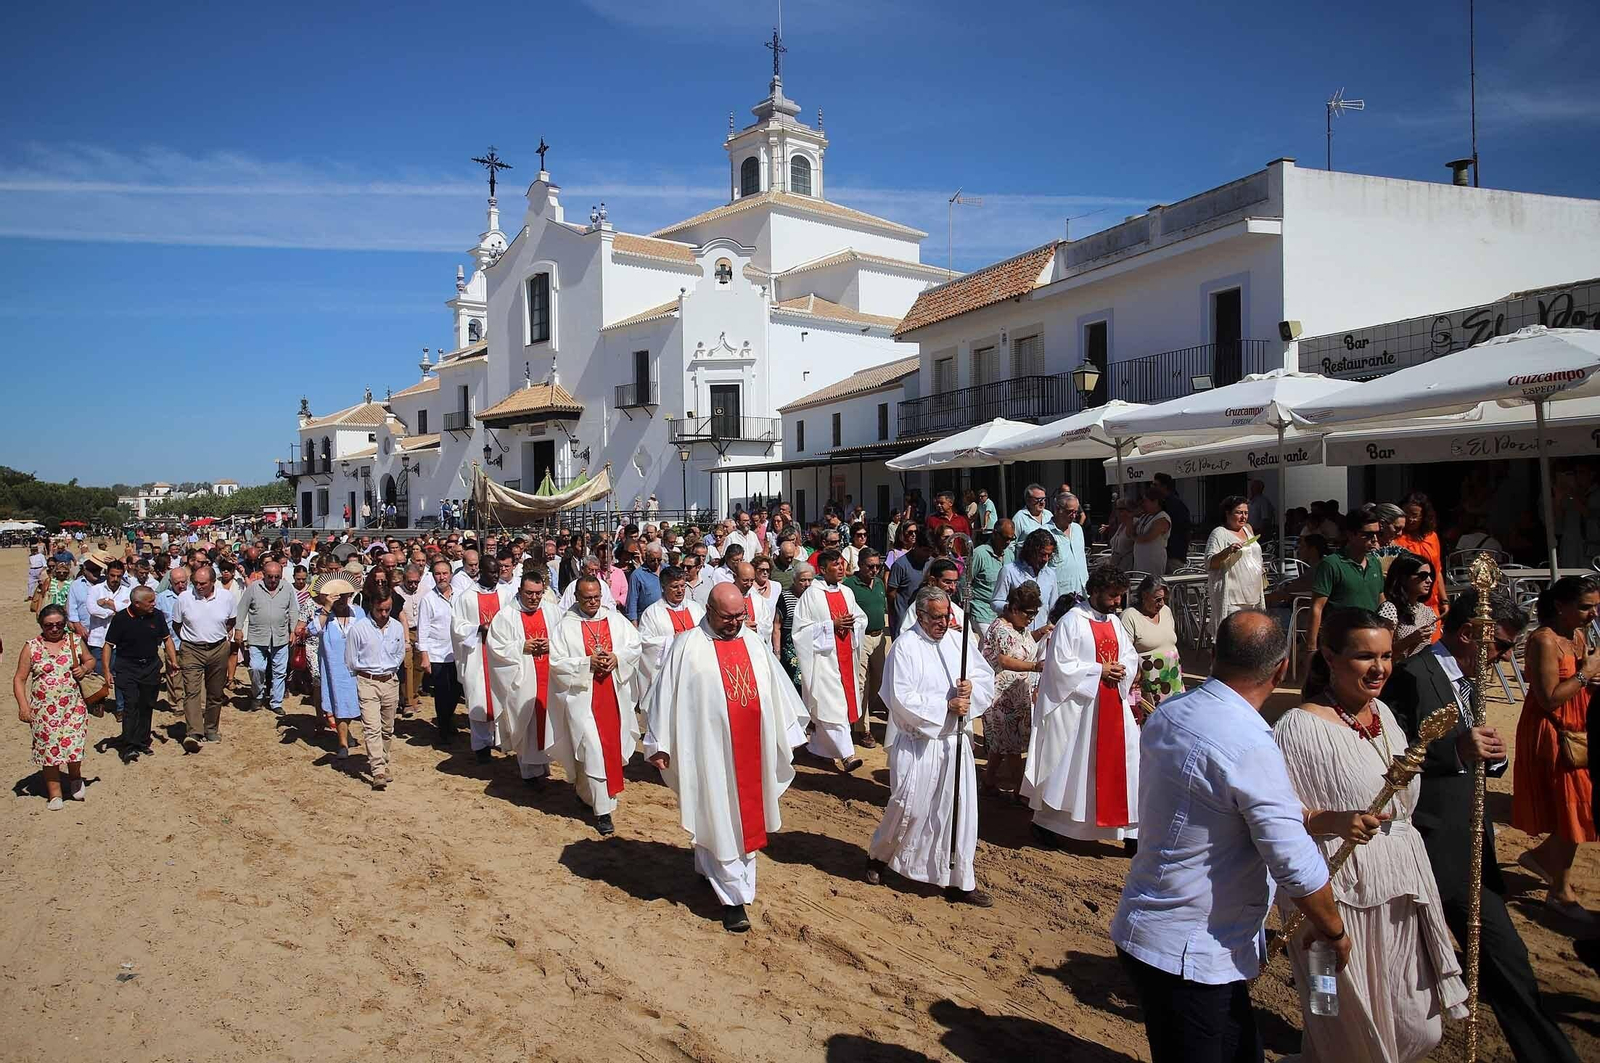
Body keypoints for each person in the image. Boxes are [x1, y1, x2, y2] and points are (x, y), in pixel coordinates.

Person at [1112, 610, 1349, 1063]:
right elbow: (1293, 861)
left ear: (1216, 654)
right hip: (1191, 949)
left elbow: (1217, 801)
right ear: (1281, 670)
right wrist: (1332, 928)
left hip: (1160, 930)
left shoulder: (1174, 711)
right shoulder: (1249, 743)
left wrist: (1316, 817)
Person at [1382, 587, 1583, 1063]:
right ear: (1470, 633)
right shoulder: (1410, 677)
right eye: (1501, 645)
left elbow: (1477, 749)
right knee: (1397, 975)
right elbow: (1385, 758)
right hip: (1422, 849)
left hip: (1471, 847)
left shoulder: (1471, 678)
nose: (1507, 656)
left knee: (1507, 964)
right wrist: (1453, 752)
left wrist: (1490, 758)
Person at [1274, 607, 1467, 1061]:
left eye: (1385, 655)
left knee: (1418, 1024)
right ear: (1330, 655)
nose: (1379, 668)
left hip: (1401, 886)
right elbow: (1276, 818)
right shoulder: (1297, 728)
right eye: (1364, 656)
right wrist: (1333, 819)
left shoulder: (1384, 713)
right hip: (1333, 898)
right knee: (1335, 1016)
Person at [645, 583, 802, 932]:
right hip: (708, 750)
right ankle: (734, 900)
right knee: (717, 814)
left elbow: (776, 690)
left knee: (741, 818)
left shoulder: (753, 642)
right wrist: (659, 743)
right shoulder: (687, 646)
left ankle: (709, 869)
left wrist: (788, 734)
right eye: (727, 617)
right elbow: (663, 695)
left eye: (740, 616)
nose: (734, 623)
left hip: (753, 749)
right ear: (709, 612)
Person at [866, 586, 997, 906]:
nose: (943, 623)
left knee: (959, 812)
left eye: (947, 616)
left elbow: (985, 676)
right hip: (921, 744)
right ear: (921, 616)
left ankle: (960, 879)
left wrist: (971, 688)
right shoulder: (905, 647)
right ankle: (879, 857)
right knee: (909, 809)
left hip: (955, 744)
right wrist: (946, 706)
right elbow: (901, 698)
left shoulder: (956, 641)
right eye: (936, 618)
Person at [1027, 565, 1140, 849]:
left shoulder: (1114, 623)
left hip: (1114, 702)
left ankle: (1129, 832)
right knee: (1075, 766)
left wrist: (1121, 668)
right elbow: (1059, 666)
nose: (1118, 602)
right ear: (1095, 591)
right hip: (1082, 709)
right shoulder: (1072, 621)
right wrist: (1099, 670)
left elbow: (1129, 654)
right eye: (1113, 596)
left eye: (1120, 597)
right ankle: (1051, 823)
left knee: (1128, 763)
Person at [1513, 574, 1600, 921]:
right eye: (1585, 607)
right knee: (1575, 809)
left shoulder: (1577, 633)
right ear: (1561, 606)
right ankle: (1559, 892)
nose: (1593, 614)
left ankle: (1542, 860)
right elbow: (1549, 699)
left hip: (1577, 728)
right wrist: (1586, 673)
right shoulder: (1544, 641)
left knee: (1579, 808)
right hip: (1553, 731)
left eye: (1596, 607)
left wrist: (1590, 676)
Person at [549, 575, 643, 835]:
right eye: (587, 598)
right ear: (577, 597)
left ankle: (585, 793)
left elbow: (634, 645)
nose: (593, 602)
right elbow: (556, 662)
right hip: (582, 698)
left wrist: (617, 657)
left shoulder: (614, 619)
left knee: (604, 748)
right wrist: (585, 664)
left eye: (596, 597)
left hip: (613, 695)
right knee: (590, 748)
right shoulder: (566, 626)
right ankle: (603, 812)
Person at [13, 605, 95, 809]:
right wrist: (24, 707)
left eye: (59, 624)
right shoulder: (31, 647)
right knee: (49, 751)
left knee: (73, 745)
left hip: (73, 707)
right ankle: (55, 794)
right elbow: (19, 679)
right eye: (50, 625)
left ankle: (75, 779)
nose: (55, 629)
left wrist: (84, 668)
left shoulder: (74, 641)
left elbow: (91, 660)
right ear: (41, 625)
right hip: (43, 711)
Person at [794, 550, 868, 771]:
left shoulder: (847, 592)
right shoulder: (811, 595)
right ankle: (847, 755)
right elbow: (800, 631)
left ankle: (818, 748)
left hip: (846, 658)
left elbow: (861, 618)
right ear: (823, 570)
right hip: (824, 661)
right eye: (835, 565)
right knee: (832, 706)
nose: (841, 568)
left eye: (842, 564)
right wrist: (830, 626)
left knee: (837, 705)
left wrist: (855, 624)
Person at [487, 568, 560, 788]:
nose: (534, 598)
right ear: (520, 590)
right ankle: (529, 773)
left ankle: (542, 766)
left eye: (538, 593)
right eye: (529, 593)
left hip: (548, 675)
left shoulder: (552, 611)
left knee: (546, 721)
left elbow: (565, 638)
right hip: (523, 679)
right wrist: (522, 646)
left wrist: (552, 644)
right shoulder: (506, 616)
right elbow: (496, 647)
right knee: (526, 722)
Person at [979, 580, 1042, 800]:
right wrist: (1035, 666)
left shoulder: (1020, 627)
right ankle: (1020, 790)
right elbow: (1005, 659)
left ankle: (988, 779)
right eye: (1029, 614)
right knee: (1013, 747)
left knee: (1002, 743)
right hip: (1002, 697)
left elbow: (1021, 647)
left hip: (1018, 694)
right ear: (1014, 609)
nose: (1031, 619)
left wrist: (1041, 631)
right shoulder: (1000, 629)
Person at [101, 587, 179, 761]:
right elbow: (108, 645)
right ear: (137, 603)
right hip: (127, 667)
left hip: (150, 666)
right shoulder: (121, 619)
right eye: (150, 601)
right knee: (131, 705)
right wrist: (107, 671)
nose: (154, 604)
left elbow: (167, 639)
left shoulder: (157, 615)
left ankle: (142, 741)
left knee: (147, 704)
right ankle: (129, 745)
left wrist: (173, 661)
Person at [451, 556, 515, 762]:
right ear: (481, 572)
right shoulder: (467, 597)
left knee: (502, 695)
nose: (496, 576)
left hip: (500, 654)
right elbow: (457, 627)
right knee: (479, 697)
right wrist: (477, 628)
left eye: (498, 572)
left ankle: (500, 739)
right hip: (477, 654)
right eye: (492, 572)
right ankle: (480, 746)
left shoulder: (506, 594)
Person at [344, 590, 405, 790]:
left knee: (388, 728)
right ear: (372, 607)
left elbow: (400, 653)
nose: (384, 614)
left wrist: (391, 669)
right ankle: (377, 769)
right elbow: (351, 660)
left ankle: (383, 760)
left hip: (390, 681)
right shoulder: (358, 629)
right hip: (367, 681)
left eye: (388, 609)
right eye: (380, 610)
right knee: (372, 728)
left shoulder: (396, 627)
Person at [173, 563, 236, 751]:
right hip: (192, 649)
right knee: (191, 691)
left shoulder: (226, 597)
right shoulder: (184, 598)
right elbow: (177, 624)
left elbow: (231, 621)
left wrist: (219, 635)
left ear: (213, 582)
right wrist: (190, 640)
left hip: (218, 648)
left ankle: (210, 728)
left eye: (202, 584)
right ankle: (193, 732)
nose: (198, 587)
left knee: (215, 692)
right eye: (195, 583)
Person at [1305, 508, 1386, 654]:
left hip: (1370, 640)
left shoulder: (1375, 563)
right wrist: (1311, 648)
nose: (1374, 539)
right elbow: (1317, 607)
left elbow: (1381, 600)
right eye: (1367, 534)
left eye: (1378, 533)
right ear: (1350, 534)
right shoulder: (1332, 564)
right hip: (1340, 643)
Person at [308, 575, 364, 755]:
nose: (342, 600)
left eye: (345, 596)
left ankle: (346, 734)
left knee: (354, 703)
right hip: (334, 667)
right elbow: (312, 630)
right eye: (338, 597)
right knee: (339, 703)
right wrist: (327, 607)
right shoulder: (324, 614)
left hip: (356, 667)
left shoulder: (358, 612)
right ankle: (342, 743)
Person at [238, 559, 298, 717]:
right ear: (263, 575)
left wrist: (293, 630)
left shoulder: (287, 588)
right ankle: (257, 695)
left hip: (280, 636)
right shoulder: (253, 588)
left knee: (280, 671)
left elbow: (293, 610)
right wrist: (238, 629)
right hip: (258, 635)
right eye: (270, 576)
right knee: (256, 667)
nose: (273, 580)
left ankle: (276, 702)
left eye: (276, 577)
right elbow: (242, 607)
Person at [636, 565, 706, 696]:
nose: (680, 591)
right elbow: (645, 643)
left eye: (682, 586)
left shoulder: (695, 609)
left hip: (696, 669)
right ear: (663, 587)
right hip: (669, 672)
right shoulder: (652, 613)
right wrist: (671, 640)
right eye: (675, 587)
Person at [843, 548, 889, 742]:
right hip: (860, 638)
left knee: (880, 681)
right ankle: (862, 729)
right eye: (870, 566)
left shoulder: (879, 583)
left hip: (880, 638)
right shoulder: (849, 586)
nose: (875, 570)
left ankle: (862, 716)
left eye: (878, 566)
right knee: (861, 683)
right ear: (859, 565)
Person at [1205, 494, 1265, 638]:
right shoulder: (1219, 533)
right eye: (1239, 512)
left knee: (1252, 636)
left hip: (1253, 596)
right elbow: (1209, 563)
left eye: (1246, 513)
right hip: (1232, 598)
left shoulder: (1248, 530)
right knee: (1232, 637)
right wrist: (1227, 551)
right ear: (1227, 513)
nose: (1243, 517)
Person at [415, 558, 460, 746]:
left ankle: (448, 719)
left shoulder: (461, 595)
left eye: (445, 573)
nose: (441, 577)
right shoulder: (428, 599)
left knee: (457, 691)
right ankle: (443, 728)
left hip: (457, 652)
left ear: (450, 574)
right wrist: (425, 656)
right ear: (433, 576)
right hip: (437, 653)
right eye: (438, 574)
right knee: (442, 693)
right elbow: (422, 629)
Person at [1122, 574, 1181, 718]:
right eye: (1157, 599)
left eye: (1164, 600)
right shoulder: (1130, 616)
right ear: (1144, 595)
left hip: (1172, 677)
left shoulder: (1166, 611)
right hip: (1148, 682)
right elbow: (1125, 651)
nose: (1161, 604)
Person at [1395, 492, 1446, 634]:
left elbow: (1438, 569)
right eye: (1405, 514)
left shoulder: (1432, 537)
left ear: (1424, 516)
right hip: (1407, 604)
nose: (1410, 519)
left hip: (1432, 603)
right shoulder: (1397, 539)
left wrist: (1445, 600)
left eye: (1415, 515)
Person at [990, 529, 1056, 635]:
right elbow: (995, 602)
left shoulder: (1051, 575)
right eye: (1042, 554)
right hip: (1014, 636)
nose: (1046, 559)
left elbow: (1053, 607)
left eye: (1049, 555)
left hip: (1042, 637)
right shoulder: (1009, 571)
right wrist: (1012, 609)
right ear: (1031, 551)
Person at [1378, 554, 1438, 661]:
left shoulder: (1427, 612)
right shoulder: (1390, 609)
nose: (1429, 580)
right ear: (1404, 578)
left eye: (1431, 575)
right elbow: (1382, 653)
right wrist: (1411, 639)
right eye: (1423, 576)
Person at [965, 519, 1012, 638]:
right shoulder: (979, 554)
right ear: (995, 534)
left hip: (1002, 612)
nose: (1008, 542)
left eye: (1011, 539)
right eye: (1005, 538)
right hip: (981, 610)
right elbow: (965, 581)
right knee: (992, 641)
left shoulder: (1010, 554)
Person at [775, 562, 813, 689]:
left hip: (810, 644)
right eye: (802, 580)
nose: (807, 584)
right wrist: (777, 652)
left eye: (809, 580)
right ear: (794, 580)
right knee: (797, 681)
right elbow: (777, 626)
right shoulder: (784, 597)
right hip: (790, 645)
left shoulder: (814, 597)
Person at [1048, 492, 1089, 597]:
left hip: (1082, 590)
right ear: (1057, 510)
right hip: (1060, 593)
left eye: (1076, 512)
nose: (1074, 516)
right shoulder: (1045, 532)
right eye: (1070, 512)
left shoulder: (1078, 529)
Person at [1152, 473, 1192, 574]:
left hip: (1173, 553)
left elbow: (1183, 529)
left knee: (1173, 585)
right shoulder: (1168, 502)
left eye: (1155, 485)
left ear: (1164, 486)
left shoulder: (1174, 504)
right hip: (1168, 553)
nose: (1152, 488)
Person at [1131, 486, 1172, 577]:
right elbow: (1131, 530)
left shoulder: (1162, 518)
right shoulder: (1144, 516)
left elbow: (1147, 537)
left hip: (1153, 560)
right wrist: (1132, 515)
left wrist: (1134, 537)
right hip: (1140, 560)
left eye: (1146, 501)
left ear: (1155, 502)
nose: (1143, 504)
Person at [625, 542, 664, 623]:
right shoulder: (637, 575)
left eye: (659, 559)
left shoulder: (667, 570)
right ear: (646, 557)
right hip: (646, 620)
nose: (656, 562)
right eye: (653, 560)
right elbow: (632, 602)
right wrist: (634, 624)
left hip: (665, 618)